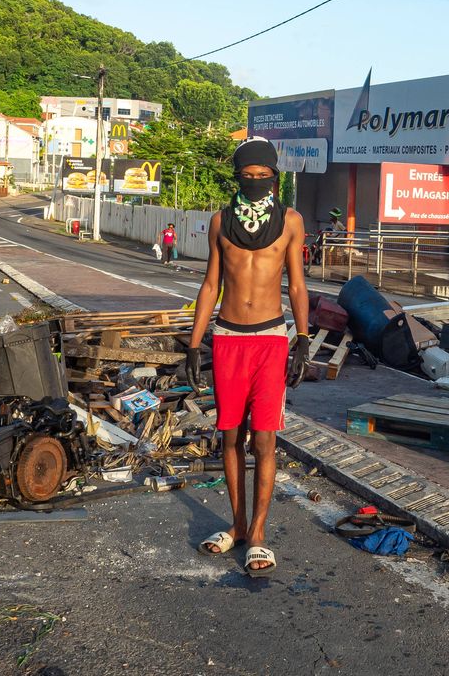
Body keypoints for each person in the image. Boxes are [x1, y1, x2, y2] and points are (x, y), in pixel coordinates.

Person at [187, 138, 309, 577]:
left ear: (274, 178)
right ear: (237, 177)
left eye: (263, 177)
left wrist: (304, 339)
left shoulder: (291, 222)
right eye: (247, 176)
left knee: (265, 438)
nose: (256, 182)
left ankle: (258, 533)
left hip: (271, 339)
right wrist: (193, 342)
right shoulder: (220, 222)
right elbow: (209, 286)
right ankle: (236, 526)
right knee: (230, 436)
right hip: (227, 338)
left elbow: (297, 285)